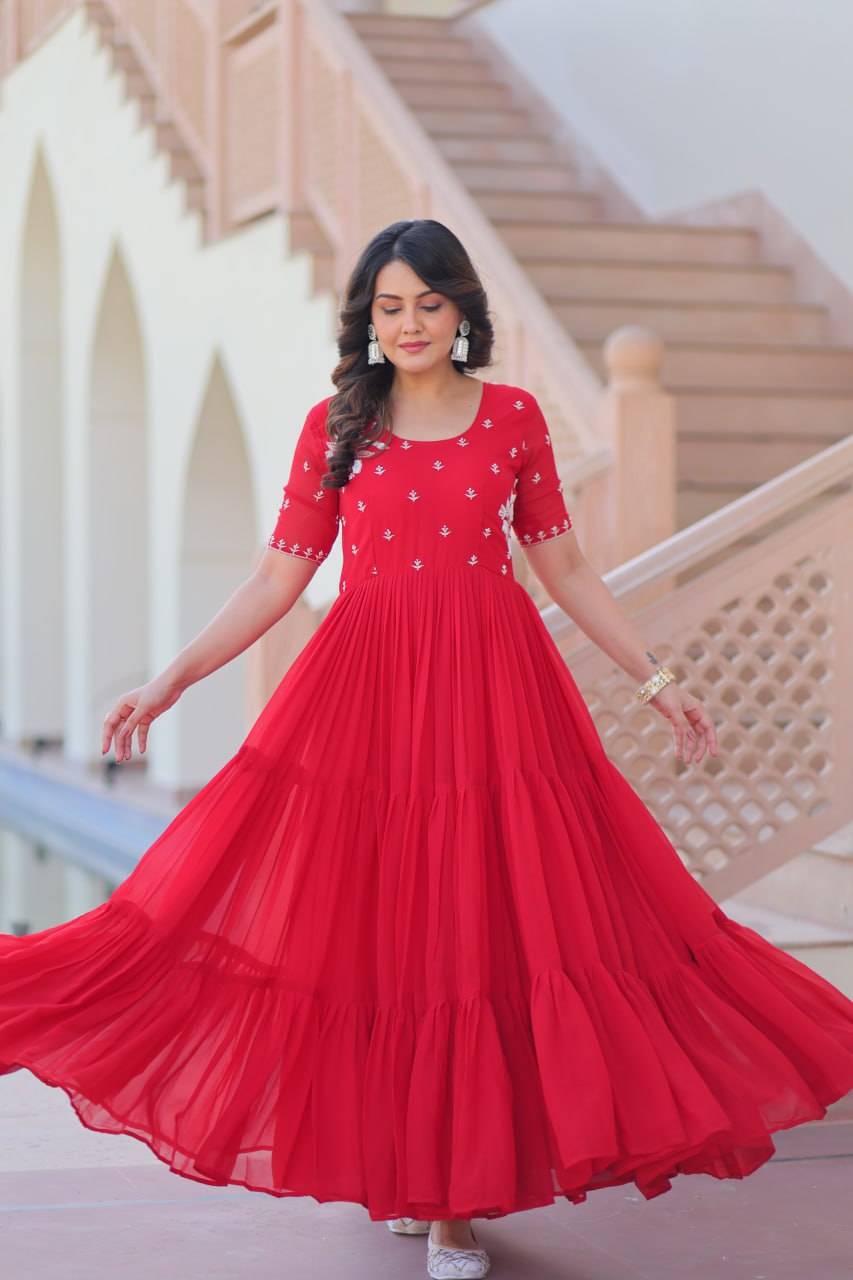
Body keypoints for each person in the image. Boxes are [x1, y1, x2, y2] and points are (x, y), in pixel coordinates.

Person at [2, 219, 853, 1280]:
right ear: (368, 318)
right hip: (363, 699)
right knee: (381, 942)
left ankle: (455, 1202)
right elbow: (277, 577)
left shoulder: (513, 419)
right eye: (388, 307)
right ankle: (410, 1174)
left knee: (476, 936)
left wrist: (658, 678)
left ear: (463, 313)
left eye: (427, 305)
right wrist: (170, 677)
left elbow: (567, 566)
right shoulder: (336, 424)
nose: (407, 325)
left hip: (497, 700)